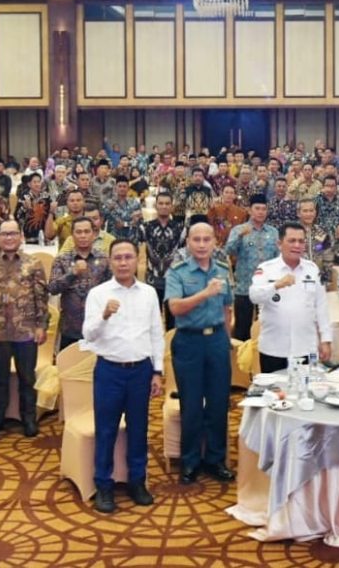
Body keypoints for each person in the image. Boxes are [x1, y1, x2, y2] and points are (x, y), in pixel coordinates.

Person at [82, 238, 163, 512]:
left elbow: (156, 333)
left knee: (139, 430)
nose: (124, 262)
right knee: (106, 430)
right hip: (109, 371)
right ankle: (103, 485)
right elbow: (87, 335)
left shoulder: (149, 293)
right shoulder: (98, 294)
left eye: (129, 257)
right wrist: (104, 315)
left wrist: (158, 372)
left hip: (141, 371)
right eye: (118, 258)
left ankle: (137, 481)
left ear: (136, 260)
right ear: (110, 261)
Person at [166, 223, 235, 485]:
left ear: (215, 242)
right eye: (197, 239)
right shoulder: (178, 272)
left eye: (207, 239)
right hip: (188, 341)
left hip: (216, 339)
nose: (202, 244)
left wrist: (226, 342)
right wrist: (204, 293)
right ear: (188, 243)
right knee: (192, 405)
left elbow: (227, 309)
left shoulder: (222, 270)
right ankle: (191, 461)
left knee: (218, 403)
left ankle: (215, 459)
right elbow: (175, 308)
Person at [0, 220, 49, 438]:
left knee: (27, 378)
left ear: (21, 236)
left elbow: (41, 297)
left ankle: (28, 419)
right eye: (4, 234)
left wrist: (41, 326)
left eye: (13, 234)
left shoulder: (33, 263)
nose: (9, 238)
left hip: (26, 331)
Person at [249, 222, 332, 373]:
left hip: (305, 347)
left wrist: (326, 340)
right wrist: (276, 285)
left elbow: (321, 307)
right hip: (274, 349)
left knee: (305, 393)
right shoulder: (266, 269)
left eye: (301, 241)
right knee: (275, 394)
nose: (297, 245)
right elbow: (254, 296)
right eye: (292, 241)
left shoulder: (312, 269)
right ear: (279, 244)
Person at [48, 217, 111, 350]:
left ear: (94, 234)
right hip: (70, 327)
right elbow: (53, 288)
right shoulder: (62, 259)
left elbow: (112, 289)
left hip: (98, 327)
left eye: (87, 231)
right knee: (68, 368)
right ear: (72, 235)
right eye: (79, 232)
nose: (83, 236)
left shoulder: (105, 259)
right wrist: (72, 273)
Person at [225, 194, 278, 340]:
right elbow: (228, 251)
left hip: (268, 288)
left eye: (263, 209)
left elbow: (279, 258)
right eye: (257, 208)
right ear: (249, 210)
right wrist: (239, 237)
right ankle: (241, 361)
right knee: (242, 329)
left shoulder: (273, 232)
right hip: (245, 287)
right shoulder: (239, 230)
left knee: (269, 328)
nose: (261, 212)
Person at [140, 191, 182, 330]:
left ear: (172, 206)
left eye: (167, 204)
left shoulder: (180, 228)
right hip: (152, 280)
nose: (164, 206)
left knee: (173, 323)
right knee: (152, 322)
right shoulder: (145, 227)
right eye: (161, 203)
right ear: (156, 206)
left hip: (173, 282)